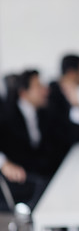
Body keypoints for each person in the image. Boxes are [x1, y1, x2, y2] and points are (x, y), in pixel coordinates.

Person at [0, 70, 51, 210]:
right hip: (16, 177)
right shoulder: (7, 114)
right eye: (38, 87)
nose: (45, 90)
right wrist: (3, 163)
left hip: (35, 169)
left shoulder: (42, 112)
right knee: (48, 187)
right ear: (23, 92)